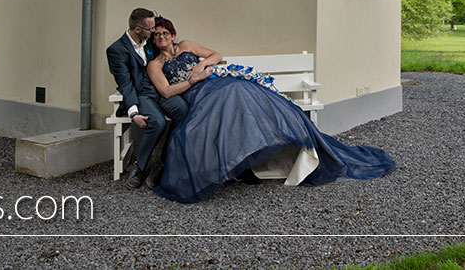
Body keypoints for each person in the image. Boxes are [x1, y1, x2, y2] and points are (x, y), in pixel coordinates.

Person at [145, 17, 395, 203]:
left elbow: (216, 54)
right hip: (198, 94)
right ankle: (239, 166)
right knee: (228, 102)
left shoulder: (187, 45)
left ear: (172, 32)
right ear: (152, 40)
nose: (162, 37)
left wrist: (203, 67)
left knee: (243, 92)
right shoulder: (155, 65)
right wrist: (191, 81)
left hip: (216, 82)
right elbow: (166, 92)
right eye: (156, 35)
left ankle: (262, 152)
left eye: (165, 32)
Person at [105, 7, 188, 190]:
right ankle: (140, 167)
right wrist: (133, 112)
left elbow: (166, 47)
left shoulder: (149, 40)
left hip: (160, 89)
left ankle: (163, 161)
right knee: (157, 122)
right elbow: (125, 83)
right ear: (137, 30)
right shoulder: (116, 51)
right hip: (141, 95)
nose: (155, 33)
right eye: (151, 30)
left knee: (182, 109)